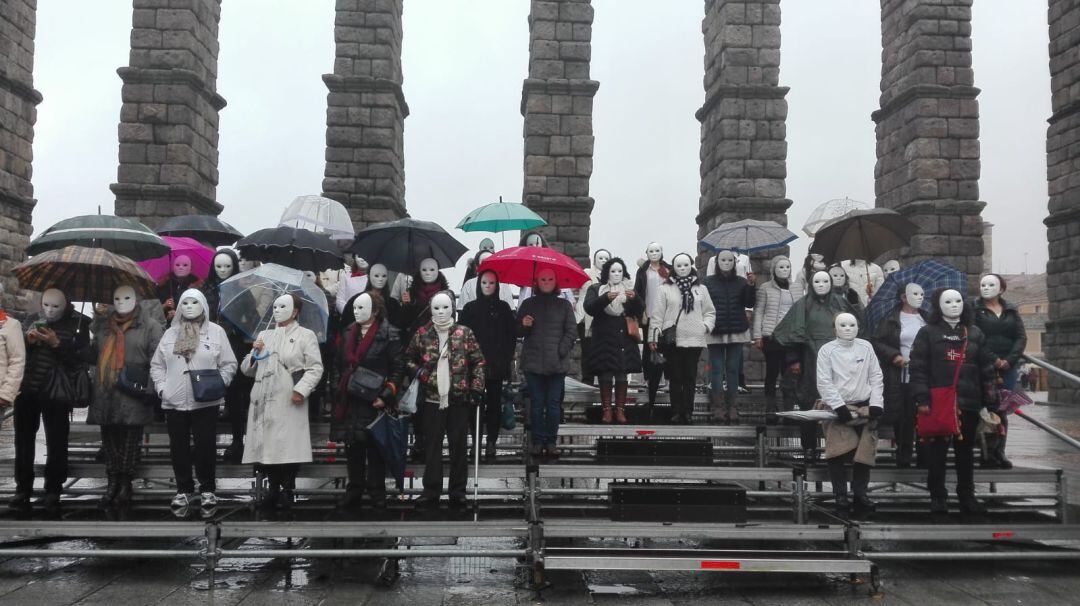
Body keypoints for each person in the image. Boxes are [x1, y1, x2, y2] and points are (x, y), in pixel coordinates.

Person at [910, 288, 998, 517]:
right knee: (937, 452)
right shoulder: (927, 333)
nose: (954, 305)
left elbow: (986, 369)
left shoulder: (976, 333)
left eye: (958, 300)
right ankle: (938, 497)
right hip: (937, 402)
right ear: (938, 306)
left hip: (968, 401)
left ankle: (967, 496)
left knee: (966, 452)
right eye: (947, 301)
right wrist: (922, 398)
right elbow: (918, 368)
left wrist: (990, 401)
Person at [150, 288, 237, 514]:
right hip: (174, 400)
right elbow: (157, 365)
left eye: (194, 302)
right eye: (185, 302)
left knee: (205, 446)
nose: (189, 306)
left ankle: (208, 489)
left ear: (203, 305)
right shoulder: (170, 334)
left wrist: (220, 383)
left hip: (205, 401)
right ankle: (183, 489)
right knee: (178, 447)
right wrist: (162, 389)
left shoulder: (216, 332)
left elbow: (229, 363)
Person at [240, 293, 324, 512]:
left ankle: (288, 488)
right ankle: (273, 488)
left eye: (283, 306)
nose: (277, 310)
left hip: (289, 395)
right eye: (275, 306)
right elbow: (247, 370)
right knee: (268, 445)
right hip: (264, 396)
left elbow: (315, 367)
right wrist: (254, 353)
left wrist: (301, 389)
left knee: (288, 444)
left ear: (295, 311)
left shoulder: (306, 335)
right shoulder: (265, 335)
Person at [404, 292, 485, 511]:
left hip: (459, 398)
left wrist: (476, 388)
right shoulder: (422, 334)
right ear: (431, 309)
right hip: (432, 399)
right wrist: (423, 375)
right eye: (436, 308)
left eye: (445, 307)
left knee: (459, 447)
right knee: (433, 447)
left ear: (452, 308)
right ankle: (431, 491)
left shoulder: (464, 333)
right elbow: (408, 359)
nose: (441, 312)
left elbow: (478, 362)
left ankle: (457, 492)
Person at [11, 288, 88, 517]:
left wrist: (58, 344)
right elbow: (17, 354)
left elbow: (81, 361)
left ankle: (53, 489)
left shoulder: (79, 324)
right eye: (46, 304)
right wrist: (29, 341)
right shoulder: (32, 319)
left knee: (57, 442)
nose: (50, 310)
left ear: (65, 305)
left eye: (55, 306)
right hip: (27, 389)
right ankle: (22, 488)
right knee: (23, 442)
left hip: (57, 391)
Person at [89, 285, 164, 518]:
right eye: (116, 298)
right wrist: (95, 320)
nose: (121, 302)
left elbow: (157, 359)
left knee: (130, 441)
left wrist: (150, 389)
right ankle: (112, 482)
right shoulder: (103, 326)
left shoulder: (150, 326)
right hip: (106, 391)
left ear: (137, 299)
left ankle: (125, 483)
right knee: (110, 440)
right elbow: (93, 354)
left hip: (133, 391)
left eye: (127, 297)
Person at [772, 271, 862, 462]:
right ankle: (809, 447)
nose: (822, 284)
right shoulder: (803, 305)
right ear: (811, 283)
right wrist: (794, 360)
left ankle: (842, 449)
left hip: (839, 360)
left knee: (840, 403)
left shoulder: (840, 302)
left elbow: (857, 325)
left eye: (825, 281)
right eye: (817, 281)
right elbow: (791, 334)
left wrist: (856, 304)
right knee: (810, 403)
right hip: (810, 359)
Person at [332, 292, 404, 513]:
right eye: (354, 308)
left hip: (374, 400)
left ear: (375, 311)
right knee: (353, 447)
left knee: (375, 449)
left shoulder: (390, 334)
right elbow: (338, 365)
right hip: (351, 399)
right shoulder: (347, 333)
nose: (356, 312)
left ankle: (377, 493)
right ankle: (354, 490)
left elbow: (398, 369)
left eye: (362, 308)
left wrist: (385, 395)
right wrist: (339, 386)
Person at [817, 313, 884, 517]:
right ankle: (840, 494)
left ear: (858, 327)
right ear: (834, 328)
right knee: (836, 452)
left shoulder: (866, 347)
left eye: (852, 324)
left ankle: (860, 493)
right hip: (837, 408)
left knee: (863, 453)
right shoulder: (826, 351)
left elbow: (876, 376)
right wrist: (839, 408)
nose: (848, 328)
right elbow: (824, 381)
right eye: (843, 325)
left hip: (864, 407)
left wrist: (876, 404)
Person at [517, 268, 577, 457]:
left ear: (555, 282)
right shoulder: (527, 304)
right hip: (533, 362)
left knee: (553, 405)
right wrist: (523, 325)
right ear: (537, 281)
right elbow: (518, 332)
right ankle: (537, 441)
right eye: (543, 279)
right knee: (536, 404)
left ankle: (551, 441)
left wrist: (561, 350)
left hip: (556, 364)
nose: (546, 282)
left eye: (550, 279)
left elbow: (571, 331)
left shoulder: (565, 305)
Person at [458, 270, 517, 461]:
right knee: (474, 405)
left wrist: (506, 358)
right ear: (479, 284)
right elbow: (462, 335)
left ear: (497, 285)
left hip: (496, 365)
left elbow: (511, 336)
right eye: (484, 282)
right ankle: (475, 441)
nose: (488, 286)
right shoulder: (469, 308)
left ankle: (491, 442)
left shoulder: (504, 308)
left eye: (492, 283)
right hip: (474, 365)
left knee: (493, 405)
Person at [649, 253, 715, 424]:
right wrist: (653, 337)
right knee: (676, 377)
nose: (683, 268)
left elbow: (710, 312)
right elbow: (657, 315)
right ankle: (677, 411)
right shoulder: (665, 288)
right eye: (679, 265)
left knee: (690, 377)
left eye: (686, 265)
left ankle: (688, 412)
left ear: (691, 266)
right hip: (673, 339)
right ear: (674, 268)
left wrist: (706, 326)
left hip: (695, 338)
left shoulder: (702, 289)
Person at [201, 249, 252, 463]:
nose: (222, 270)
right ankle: (205, 444)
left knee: (235, 396)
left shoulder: (242, 292)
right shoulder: (206, 291)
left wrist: (236, 325)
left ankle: (238, 442)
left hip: (233, 346)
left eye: (227, 266)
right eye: (219, 266)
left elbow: (251, 319)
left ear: (234, 267)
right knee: (205, 392)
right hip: (208, 346)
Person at [870, 283, 929, 467]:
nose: (919, 297)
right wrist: (894, 356)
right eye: (914, 294)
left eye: (921, 293)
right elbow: (878, 342)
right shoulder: (891, 320)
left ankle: (924, 454)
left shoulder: (927, 319)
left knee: (923, 414)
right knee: (903, 416)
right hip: (900, 375)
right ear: (903, 297)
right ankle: (903, 453)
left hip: (923, 375)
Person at [972, 273, 1026, 469]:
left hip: (1008, 368)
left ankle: (999, 452)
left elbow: (1020, 337)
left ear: (1001, 288)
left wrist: (1010, 360)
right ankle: (985, 453)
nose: (985, 288)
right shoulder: (975, 309)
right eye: (982, 284)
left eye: (990, 284)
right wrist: (993, 359)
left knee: (1002, 411)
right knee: (985, 409)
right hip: (984, 365)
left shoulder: (1011, 310)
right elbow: (974, 335)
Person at [399, 257, 450, 463]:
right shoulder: (411, 292)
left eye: (432, 269)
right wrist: (406, 305)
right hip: (418, 348)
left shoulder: (446, 294)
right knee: (419, 400)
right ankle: (420, 441)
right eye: (424, 269)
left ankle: (433, 443)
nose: (428, 272)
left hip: (441, 349)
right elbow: (404, 323)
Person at [585, 258, 644, 424]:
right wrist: (605, 298)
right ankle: (606, 411)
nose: (617, 274)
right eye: (613, 271)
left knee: (622, 373)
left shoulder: (629, 288)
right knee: (605, 372)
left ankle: (620, 410)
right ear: (607, 273)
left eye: (619, 271)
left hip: (624, 336)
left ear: (624, 272)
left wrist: (635, 299)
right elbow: (589, 307)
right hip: (603, 337)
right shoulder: (596, 288)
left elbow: (639, 310)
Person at [703, 250, 755, 424]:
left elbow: (749, 303)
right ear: (717, 262)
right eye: (723, 260)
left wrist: (750, 286)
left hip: (736, 329)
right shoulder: (707, 282)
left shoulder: (742, 282)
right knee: (716, 369)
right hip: (715, 329)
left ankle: (733, 407)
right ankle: (718, 407)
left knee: (733, 369)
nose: (726, 262)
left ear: (735, 262)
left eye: (730, 260)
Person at [753, 255, 800, 424]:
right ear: (774, 269)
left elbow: (800, 312)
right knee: (772, 373)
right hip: (771, 336)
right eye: (780, 267)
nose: (784, 270)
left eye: (787, 267)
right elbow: (759, 311)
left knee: (789, 375)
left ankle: (788, 411)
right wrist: (757, 335)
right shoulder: (765, 288)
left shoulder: (796, 288)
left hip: (791, 337)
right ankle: (771, 409)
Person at [634, 243, 671, 409]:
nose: (654, 253)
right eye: (651, 251)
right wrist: (640, 311)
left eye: (657, 250)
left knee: (668, 348)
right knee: (649, 349)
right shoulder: (642, 271)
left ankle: (668, 379)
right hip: (648, 314)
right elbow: (638, 292)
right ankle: (648, 379)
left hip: (667, 316)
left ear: (662, 252)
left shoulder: (669, 269)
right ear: (647, 253)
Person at [575, 249, 611, 385]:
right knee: (588, 352)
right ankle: (587, 381)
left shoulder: (613, 275)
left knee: (604, 352)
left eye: (606, 258)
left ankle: (604, 382)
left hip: (605, 318)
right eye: (600, 258)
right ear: (594, 260)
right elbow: (578, 289)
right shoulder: (587, 273)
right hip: (587, 318)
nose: (603, 261)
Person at [158, 254, 202, 320]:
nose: (180, 267)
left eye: (185, 265)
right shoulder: (166, 283)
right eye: (177, 265)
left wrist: (178, 314)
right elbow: (154, 311)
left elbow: (199, 308)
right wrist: (165, 305)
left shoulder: (195, 286)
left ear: (191, 268)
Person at [363, 263, 405, 330]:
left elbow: (400, 328)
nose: (380, 279)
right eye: (376, 276)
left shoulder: (393, 305)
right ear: (369, 276)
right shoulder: (358, 300)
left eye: (384, 276)